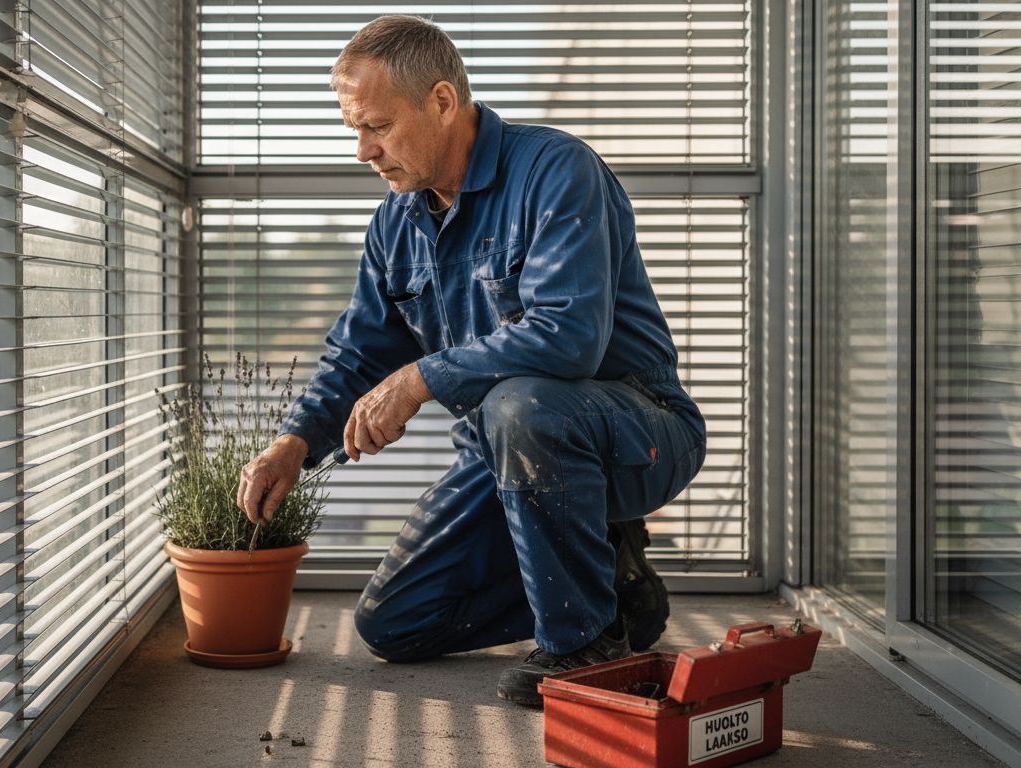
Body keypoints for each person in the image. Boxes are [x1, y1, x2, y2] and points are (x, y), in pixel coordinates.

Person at [235, 15, 707, 708]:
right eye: (354, 131)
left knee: (521, 403)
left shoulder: (555, 171)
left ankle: (580, 646)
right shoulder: (396, 223)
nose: (363, 150)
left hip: (637, 432)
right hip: (507, 452)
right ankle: (612, 584)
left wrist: (420, 379)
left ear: (443, 101)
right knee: (393, 624)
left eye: (377, 126)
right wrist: (293, 442)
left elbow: (567, 336)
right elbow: (360, 348)